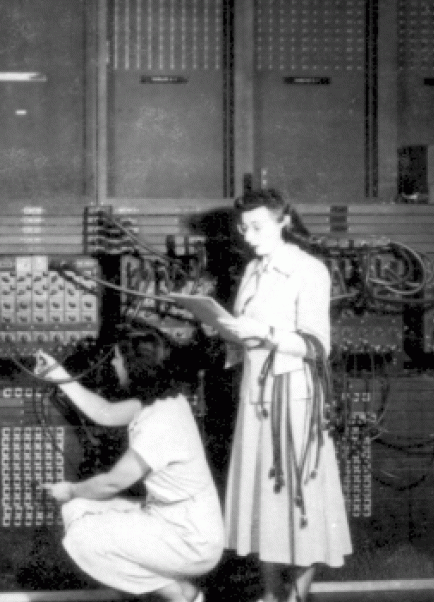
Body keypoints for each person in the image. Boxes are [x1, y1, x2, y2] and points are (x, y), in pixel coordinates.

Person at [215, 188, 352, 602]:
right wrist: (224, 329)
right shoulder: (254, 270)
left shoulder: (308, 270)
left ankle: (295, 598)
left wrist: (264, 334)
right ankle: (271, 595)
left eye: (257, 226)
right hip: (255, 397)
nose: (248, 235)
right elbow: (245, 332)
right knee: (262, 503)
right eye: (243, 228)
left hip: (293, 401)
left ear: (284, 222)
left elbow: (317, 345)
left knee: (299, 503)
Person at [36, 325, 224, 602]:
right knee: (77, 511)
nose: (113, 363)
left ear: (134, 366)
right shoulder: (167, 401)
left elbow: (113, 482)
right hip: (175, 522)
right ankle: (179, 591)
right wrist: (58, 374)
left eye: (118, 358)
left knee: (83, 538)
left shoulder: (159, 422)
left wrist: (70, 489)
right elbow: (104, 412)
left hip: (190, 540)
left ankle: (179, 593)